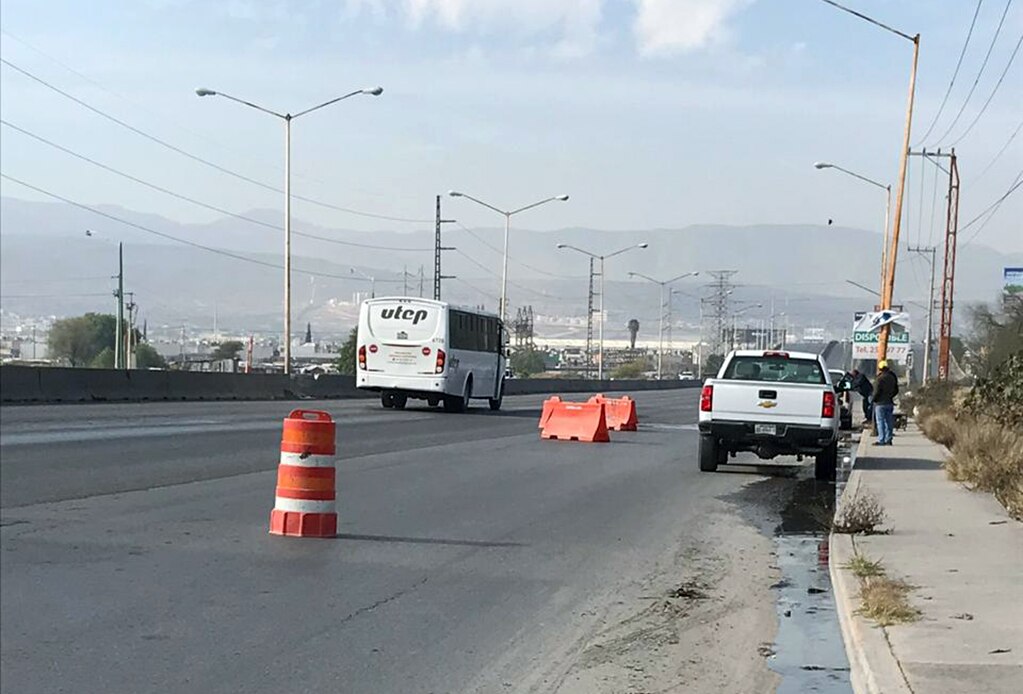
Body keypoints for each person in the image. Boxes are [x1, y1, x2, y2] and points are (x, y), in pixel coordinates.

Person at [872, 361, 899, 446]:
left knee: (880, 422)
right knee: (889, 421)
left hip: (880, 403)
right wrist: (890, 396)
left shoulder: (879, 378)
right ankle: (889, 439)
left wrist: (874, 399)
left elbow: (876, 391)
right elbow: (896, 390)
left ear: (880, 369)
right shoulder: (892, 377)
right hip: (889, 402)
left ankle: (881, 440)